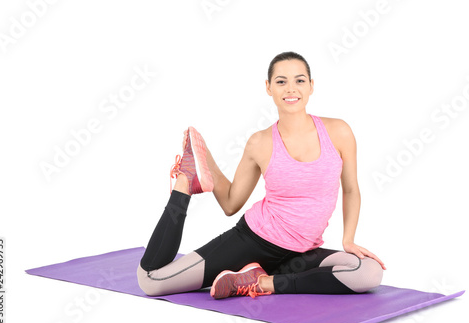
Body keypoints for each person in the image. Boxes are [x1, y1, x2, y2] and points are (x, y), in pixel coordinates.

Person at [137, 51, 385, 300]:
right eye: (281, 81)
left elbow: (351, 188)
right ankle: (185, 182)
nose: (291, 89)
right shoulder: (260, 143)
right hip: (254, 242)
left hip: (302, 254)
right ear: (268, 88)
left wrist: (349, 240)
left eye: (299, 80)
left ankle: (263, 282)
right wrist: (204, 160)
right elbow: (230, 203)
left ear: (311, 86)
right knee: (151, 280)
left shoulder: (339, 132)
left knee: (368, 272)